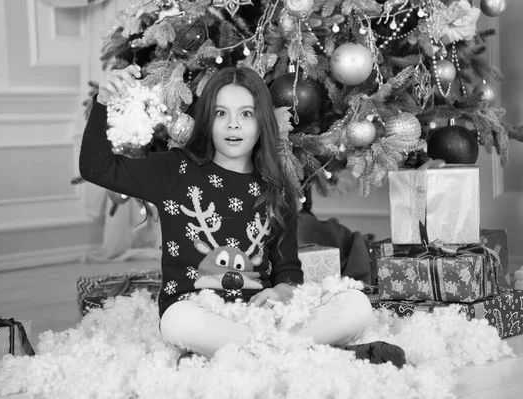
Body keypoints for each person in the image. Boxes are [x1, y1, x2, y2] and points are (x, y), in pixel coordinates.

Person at [79, 65, 406, 368]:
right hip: (199, 312)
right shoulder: (174, 170)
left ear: (261, 121)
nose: (233, 124)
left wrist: (281, 292)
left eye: (245, 114)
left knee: (356, 305)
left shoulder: (277, 188)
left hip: (260, 316)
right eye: (221, 113)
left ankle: (260, 352)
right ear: (208, 120)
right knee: (180, 322)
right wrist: (103, 103)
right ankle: (320, 354)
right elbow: (96, 167)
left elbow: (287, 269)